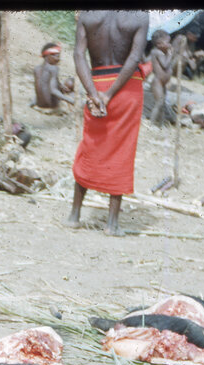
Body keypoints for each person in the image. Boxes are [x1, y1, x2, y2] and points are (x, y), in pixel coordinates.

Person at [65, 10, 149, 236]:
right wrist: (110, 95)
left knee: (90, 145)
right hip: (126, 88)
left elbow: (78, 56)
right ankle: (112, 224)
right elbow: (134, 58)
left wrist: (94, 94)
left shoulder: (87, 15)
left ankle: (74, 215)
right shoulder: (139, 16)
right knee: (122, 150)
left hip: (97, 82)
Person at [33, 42, 76, 111]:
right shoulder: (53, 68)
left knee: (63, 86)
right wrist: (70, 101)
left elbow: (41, 85)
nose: (58, 59)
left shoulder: (36, 69)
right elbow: (53, 90)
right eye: (57, 56)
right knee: (70, 84)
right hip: (50, 105)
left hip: (39, 104)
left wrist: (60, 85)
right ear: (49, 56)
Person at [147, 29, 175, 125]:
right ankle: (152, 123)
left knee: (162, 104)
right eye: (168, 42)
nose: (170, 44)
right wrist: (170, 54)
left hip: (163, 83)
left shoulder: (161, 53)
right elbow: (165, 65)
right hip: (157, 82)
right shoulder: (157, 52)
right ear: (159, 44)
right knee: (159, 103)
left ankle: (161, 124)